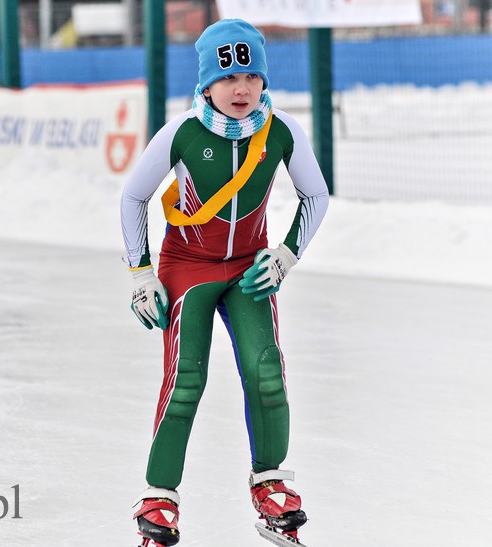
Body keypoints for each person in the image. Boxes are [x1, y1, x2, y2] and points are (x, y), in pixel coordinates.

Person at [120, 19, 329, 547]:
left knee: (266, 374)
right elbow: (132, 197)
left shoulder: (280, 131)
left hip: (249, 270)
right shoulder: (183, 132)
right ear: (206, 85)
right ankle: (158, 499)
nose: (241, 89)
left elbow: (317, 196)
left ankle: (270, 482)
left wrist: (285, 255)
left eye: (252, 76)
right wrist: (142, 273)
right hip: (187, 268)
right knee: (186, 380)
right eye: (228, 77)